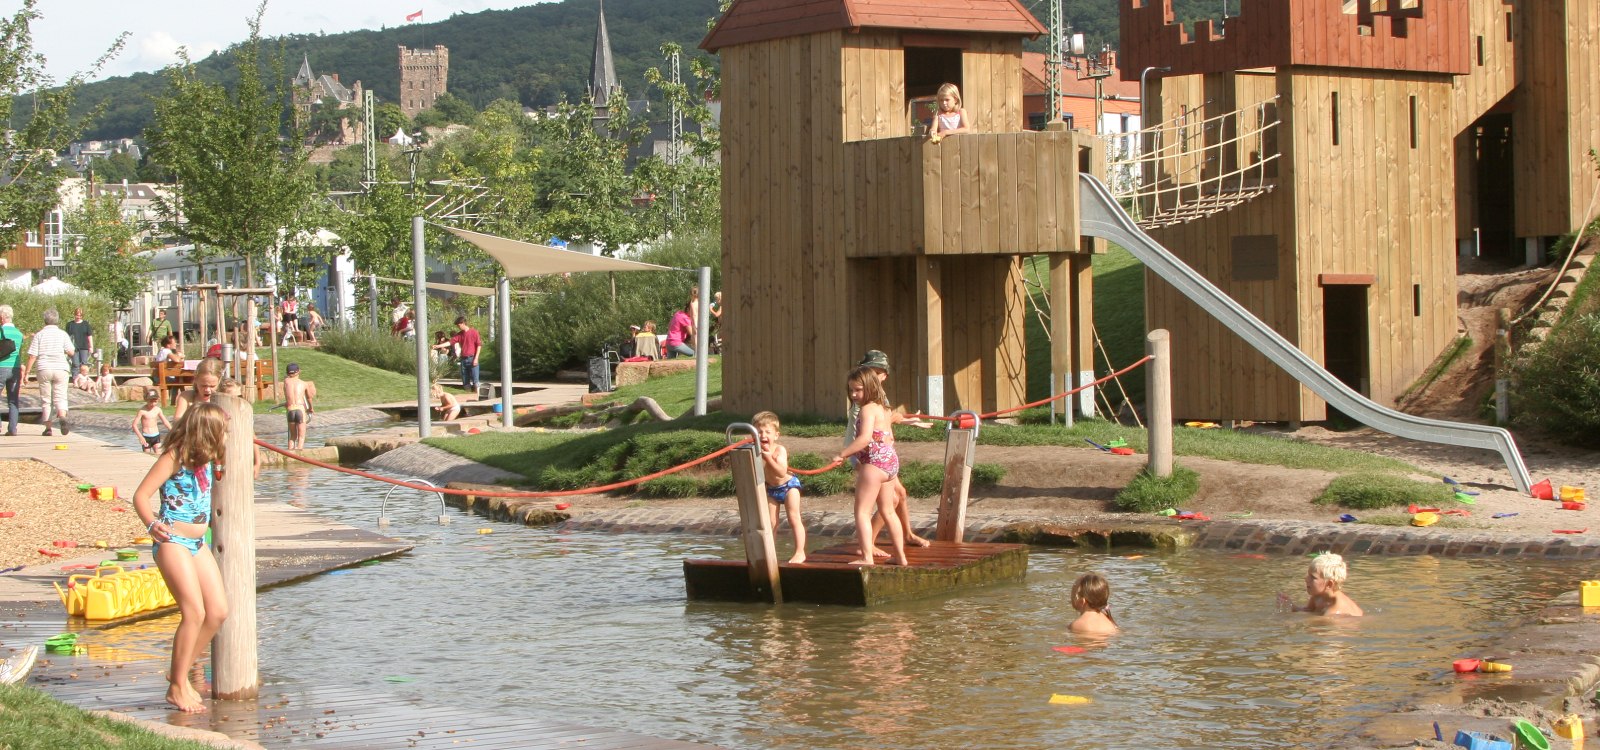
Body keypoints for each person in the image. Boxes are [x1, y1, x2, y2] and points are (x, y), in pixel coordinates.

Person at [132, 401, 231, 713]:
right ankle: (177, 686)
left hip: (197, 542)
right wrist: (151, 524)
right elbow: (140, 495)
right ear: (208, 432)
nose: (226, 437)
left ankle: (180, 671)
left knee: (217, 612)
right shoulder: (174, 456)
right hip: (173, 540)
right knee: (194, 612)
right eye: (222, 431)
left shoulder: (207, 458)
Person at [854, 350, 932, 549]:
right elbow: (874, 425)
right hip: (866, 455)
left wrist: (908, 420)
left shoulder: (879, 396)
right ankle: (868, 544)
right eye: (869, 370)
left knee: (901, 494)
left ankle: (907, 535)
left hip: (882, 455)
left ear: (884, 375)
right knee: (892, 499)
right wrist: (898, 418)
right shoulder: (861, 396)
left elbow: (885, 419)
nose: (873, 375)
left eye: (877, 372)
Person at [835, 366, 907, 566]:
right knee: (888, 511)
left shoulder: (866, 410)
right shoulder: (884, 408)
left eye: (858, 390)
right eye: (850, 390)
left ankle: (866, 557)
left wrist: (843, 454)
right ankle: (900, 557)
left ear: (870, 387)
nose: (853, 394)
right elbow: (888, 436)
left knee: (862, 512)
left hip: (874, 464)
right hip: (890, 462)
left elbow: (865, 439)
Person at [754, 411, 807, 564]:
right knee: (771, 522)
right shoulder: (756, 451)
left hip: (789, 486)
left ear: (776, 435)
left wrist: (768, 458)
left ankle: (799, 552)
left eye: (767, 432)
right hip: (771, 489)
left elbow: (781, 471)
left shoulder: (779, 450)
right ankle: (769, 553)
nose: (763, 435)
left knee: (794, 518)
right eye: (759, 432)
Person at [22, 308, 74, 436]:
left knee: (46, 399)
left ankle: (48, 428)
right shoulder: (63, 334)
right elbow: (71, 352)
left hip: (44, 367)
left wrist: (27, 373)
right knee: (60, 396)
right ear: (57, 320)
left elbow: (32, 355)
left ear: (45, 320)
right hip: (61, 367)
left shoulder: (40, 335)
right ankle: (62, 415)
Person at [1280, 553, 1364, 617]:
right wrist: (1291, 606)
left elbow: (1314, 621)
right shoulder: (1317, 595)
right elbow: (1309, 610)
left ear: (1329, 584)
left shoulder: (1335, 609)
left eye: (1312, 577)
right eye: (1308, 575)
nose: (1306, 579)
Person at [173, 358, 225, 422]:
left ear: (219, 381)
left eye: (212, 386)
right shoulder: (186, 397)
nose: (207, 390)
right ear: (196, 379)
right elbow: (177, 420)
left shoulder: (223, 398)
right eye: (203, 385)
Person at [281, 362, 316, 450]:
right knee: (301, 436)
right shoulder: (304, 384)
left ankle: (289, 453)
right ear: (298, 371)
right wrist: (310, 408)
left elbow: (287, 394)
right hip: (300, 409)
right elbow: (309, 398)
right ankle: (299, 452)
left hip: (290, 409)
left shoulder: (286, 382)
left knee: (292, 436)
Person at [0, 305, 23, 436]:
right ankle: (13, 428)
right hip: (15, 369)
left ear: (2, 317)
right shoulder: (19, 334)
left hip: (1, 367)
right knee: (13, 399)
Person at [133, 388, 172, 454]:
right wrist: (140, 437)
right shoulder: (142, 411)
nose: (153, 404)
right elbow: (134, 425)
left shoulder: (158, 410)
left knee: (158, 452)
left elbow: (165, 421)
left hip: (156, 435)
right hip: (146, 437)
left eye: (155, 401)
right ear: (146, 400)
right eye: (151, 401)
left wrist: (172, 430)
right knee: (147, 454)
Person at [448, 316, 481, 391]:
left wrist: (476, 358)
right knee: (466, 382)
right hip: (463, 359)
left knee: (476, 381)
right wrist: (438, 346)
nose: (458, 327)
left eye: (459, 325)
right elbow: (450, 342)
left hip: (472, 358)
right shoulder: (459, 334)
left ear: (463, 323)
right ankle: (468, 394)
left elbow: (479, 345)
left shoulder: (474, 332)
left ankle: (477, 396)